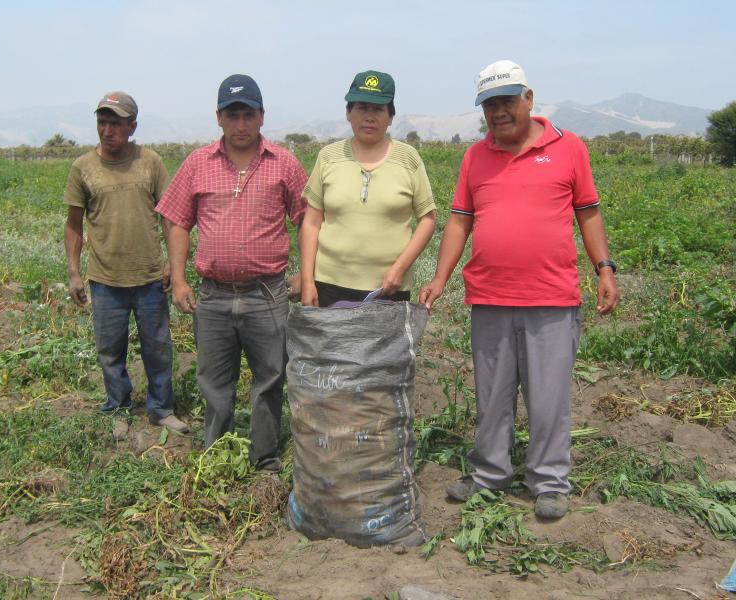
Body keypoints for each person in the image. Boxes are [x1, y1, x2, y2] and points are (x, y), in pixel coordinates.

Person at [419, 60, 620, 519]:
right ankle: (490, 474)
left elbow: (588, 212)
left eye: (507, 101)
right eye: (489, 104)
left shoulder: (569, 149)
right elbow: (459, 220)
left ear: (529, 99)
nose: (499, 112)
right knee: (492, 395)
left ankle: (549, 481)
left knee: (548, 397)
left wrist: (604, 268)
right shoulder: (475, 156)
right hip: (489, 296)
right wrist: (440, 277)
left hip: (551, 297)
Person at [156, 74, 308, 472]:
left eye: (248, 114)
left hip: (268, 294)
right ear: (219, 118)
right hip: (215, 295)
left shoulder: (285, 163)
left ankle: (264, 455)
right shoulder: (197, 163)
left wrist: (307, 275)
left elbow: (309, 219)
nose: (241, 123)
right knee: (214, 381)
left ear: (262, 117)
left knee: (270, 379)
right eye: (232, 115)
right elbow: (176, 221)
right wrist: (178, 278)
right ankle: (218, 454)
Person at [64, 91, 189, 439]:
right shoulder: (83, 168)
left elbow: (170, 216)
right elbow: (73, 224)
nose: (107, 130)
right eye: (102, 122)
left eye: (115, 123)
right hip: (105, 281)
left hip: (150, 278)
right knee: (110, 351)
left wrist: (172, 266)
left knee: (158, 349)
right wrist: (74, 273)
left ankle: (161, 409)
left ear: (132, 126)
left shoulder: (150, 163)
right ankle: (118, 407)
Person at [299, 70, 436, 307]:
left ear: (390, 116)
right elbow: (311, 223)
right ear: (348, 113)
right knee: (334, 346)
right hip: (329, 286)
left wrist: (399, 269)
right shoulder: (329, 157)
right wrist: (308, 280)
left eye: (378, 109)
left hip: (388, 288)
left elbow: (428, 219)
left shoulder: (408, 159)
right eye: (362, 108)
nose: (369, 117)